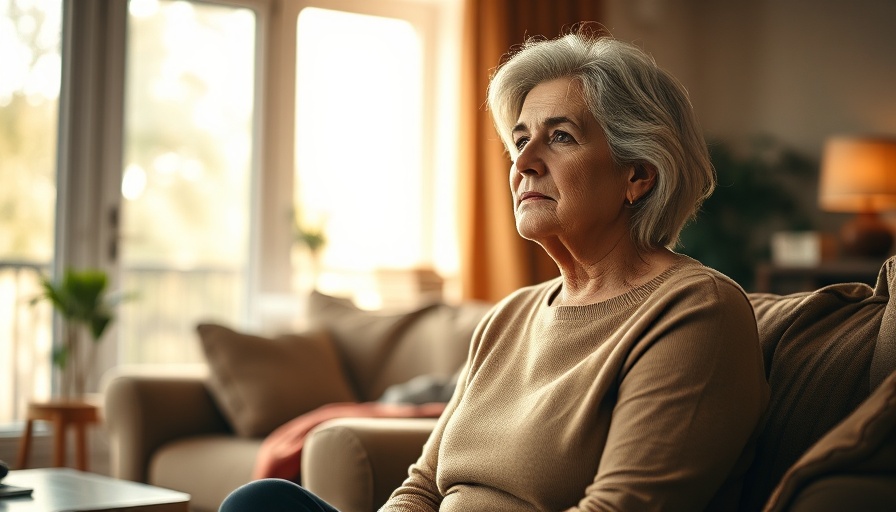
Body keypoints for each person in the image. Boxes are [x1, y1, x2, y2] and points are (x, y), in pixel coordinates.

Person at [219, 28, 770, 512]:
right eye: (521, 139)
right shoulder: (511, 315)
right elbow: (421, 488)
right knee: (261, 501)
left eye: (560, 136)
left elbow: (622, 506)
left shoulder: (695, 311)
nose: (524, 162)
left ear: (639, 174)